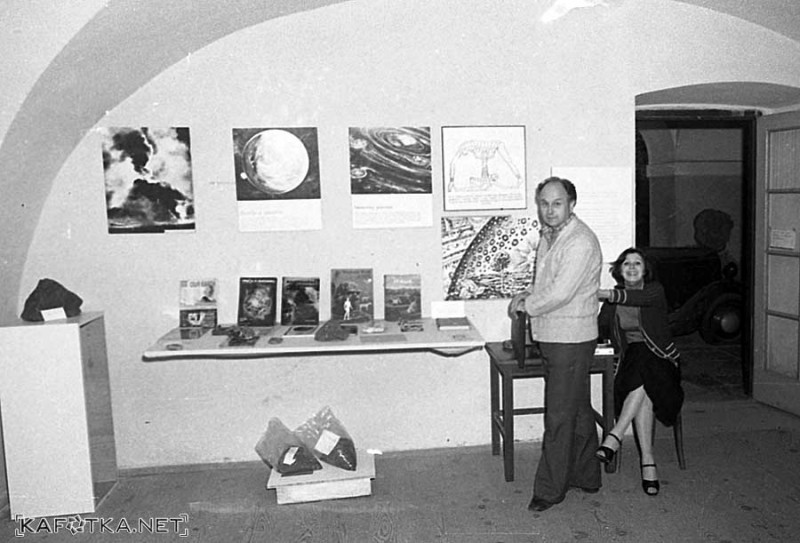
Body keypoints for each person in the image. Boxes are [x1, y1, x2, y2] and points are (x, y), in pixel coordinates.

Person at [507, 176, 603, 512]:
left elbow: (561, 293)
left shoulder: (580, 241)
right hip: (556, 336)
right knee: (576, 409)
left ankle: (550, 490)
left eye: (557, 203)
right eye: (544, 203)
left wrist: (527, 305)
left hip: (570, 338)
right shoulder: (554, 235)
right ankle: (587, 476)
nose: (549, 210)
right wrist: (527, 294)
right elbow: (548, 284)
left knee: (559, 415)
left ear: (571, 204)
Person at [596, 247, 685, 497]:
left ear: (645, 270)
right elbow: (599, 328)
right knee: (640, 369)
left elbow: (639, 299)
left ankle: (616, 435)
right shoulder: (613, 304)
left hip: (663, 364)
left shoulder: (654, 291)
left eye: (638, 263)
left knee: (643, 356)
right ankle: (648, 461)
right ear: (619, 270)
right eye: (627, 263)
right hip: (634, 369)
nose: (632, 267)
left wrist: (604, 293)